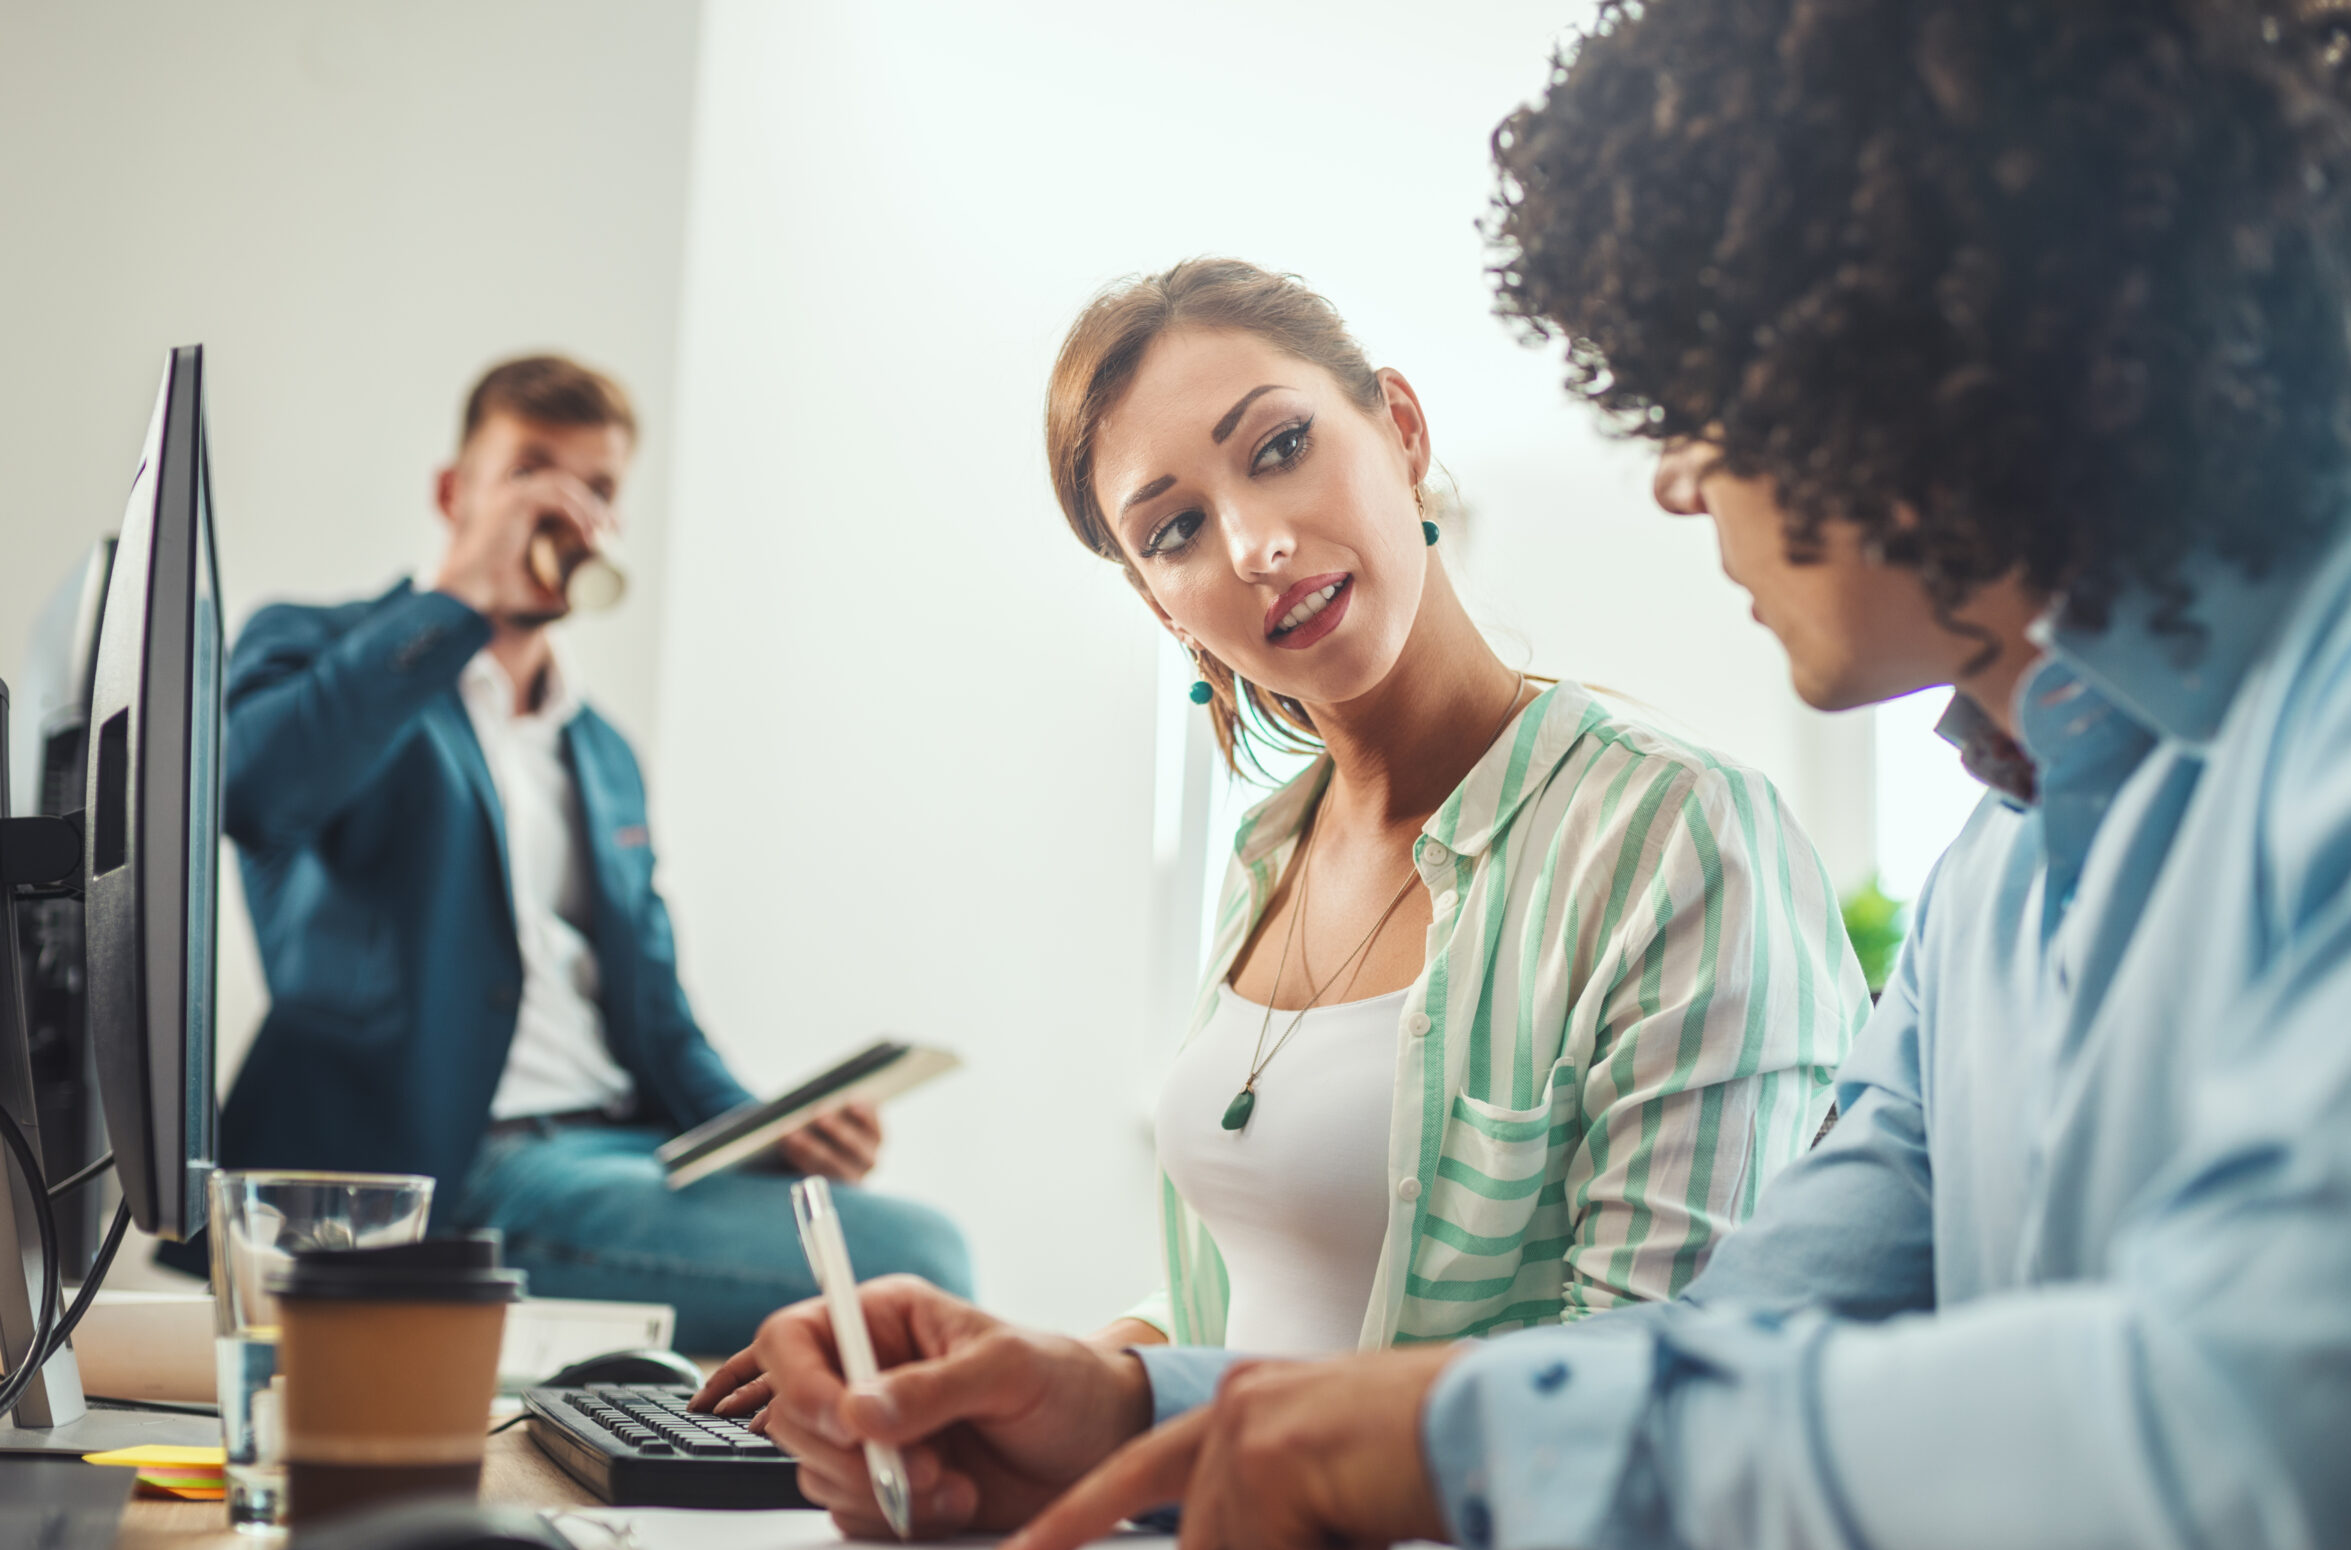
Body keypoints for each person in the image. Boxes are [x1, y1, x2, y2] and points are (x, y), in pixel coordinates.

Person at [730, 4, 2351, 1550]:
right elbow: (1720, 1355)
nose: (1681, 476)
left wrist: (1443, 1444)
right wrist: (1139, 1402)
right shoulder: (1990, 888)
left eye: (1710, 385)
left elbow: (2302, 1481)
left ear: (1929, 331)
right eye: (1175, 528)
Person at [691, 260, 1866, 1414]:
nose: (1253, 544)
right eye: (1176, 530)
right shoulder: (1271, 852)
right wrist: (1011, 1385)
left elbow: (1661, 1382)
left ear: (1400, 429)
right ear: (1161, 606)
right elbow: (1248, 1315)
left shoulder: (1674, 837)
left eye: (1280, 448)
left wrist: (1143, 1415)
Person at [208, 354, 972, 1352]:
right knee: (914, 1261)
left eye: (598, 488)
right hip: (448, 1172)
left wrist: (765, 1124)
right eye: (534, 472)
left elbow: (655, 1009)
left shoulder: (601, 751)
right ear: (455, 493)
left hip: (624, 1151)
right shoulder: (321, 647)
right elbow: (255, 794)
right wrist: (454, 604)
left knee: (887, 1244)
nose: (568, 508)